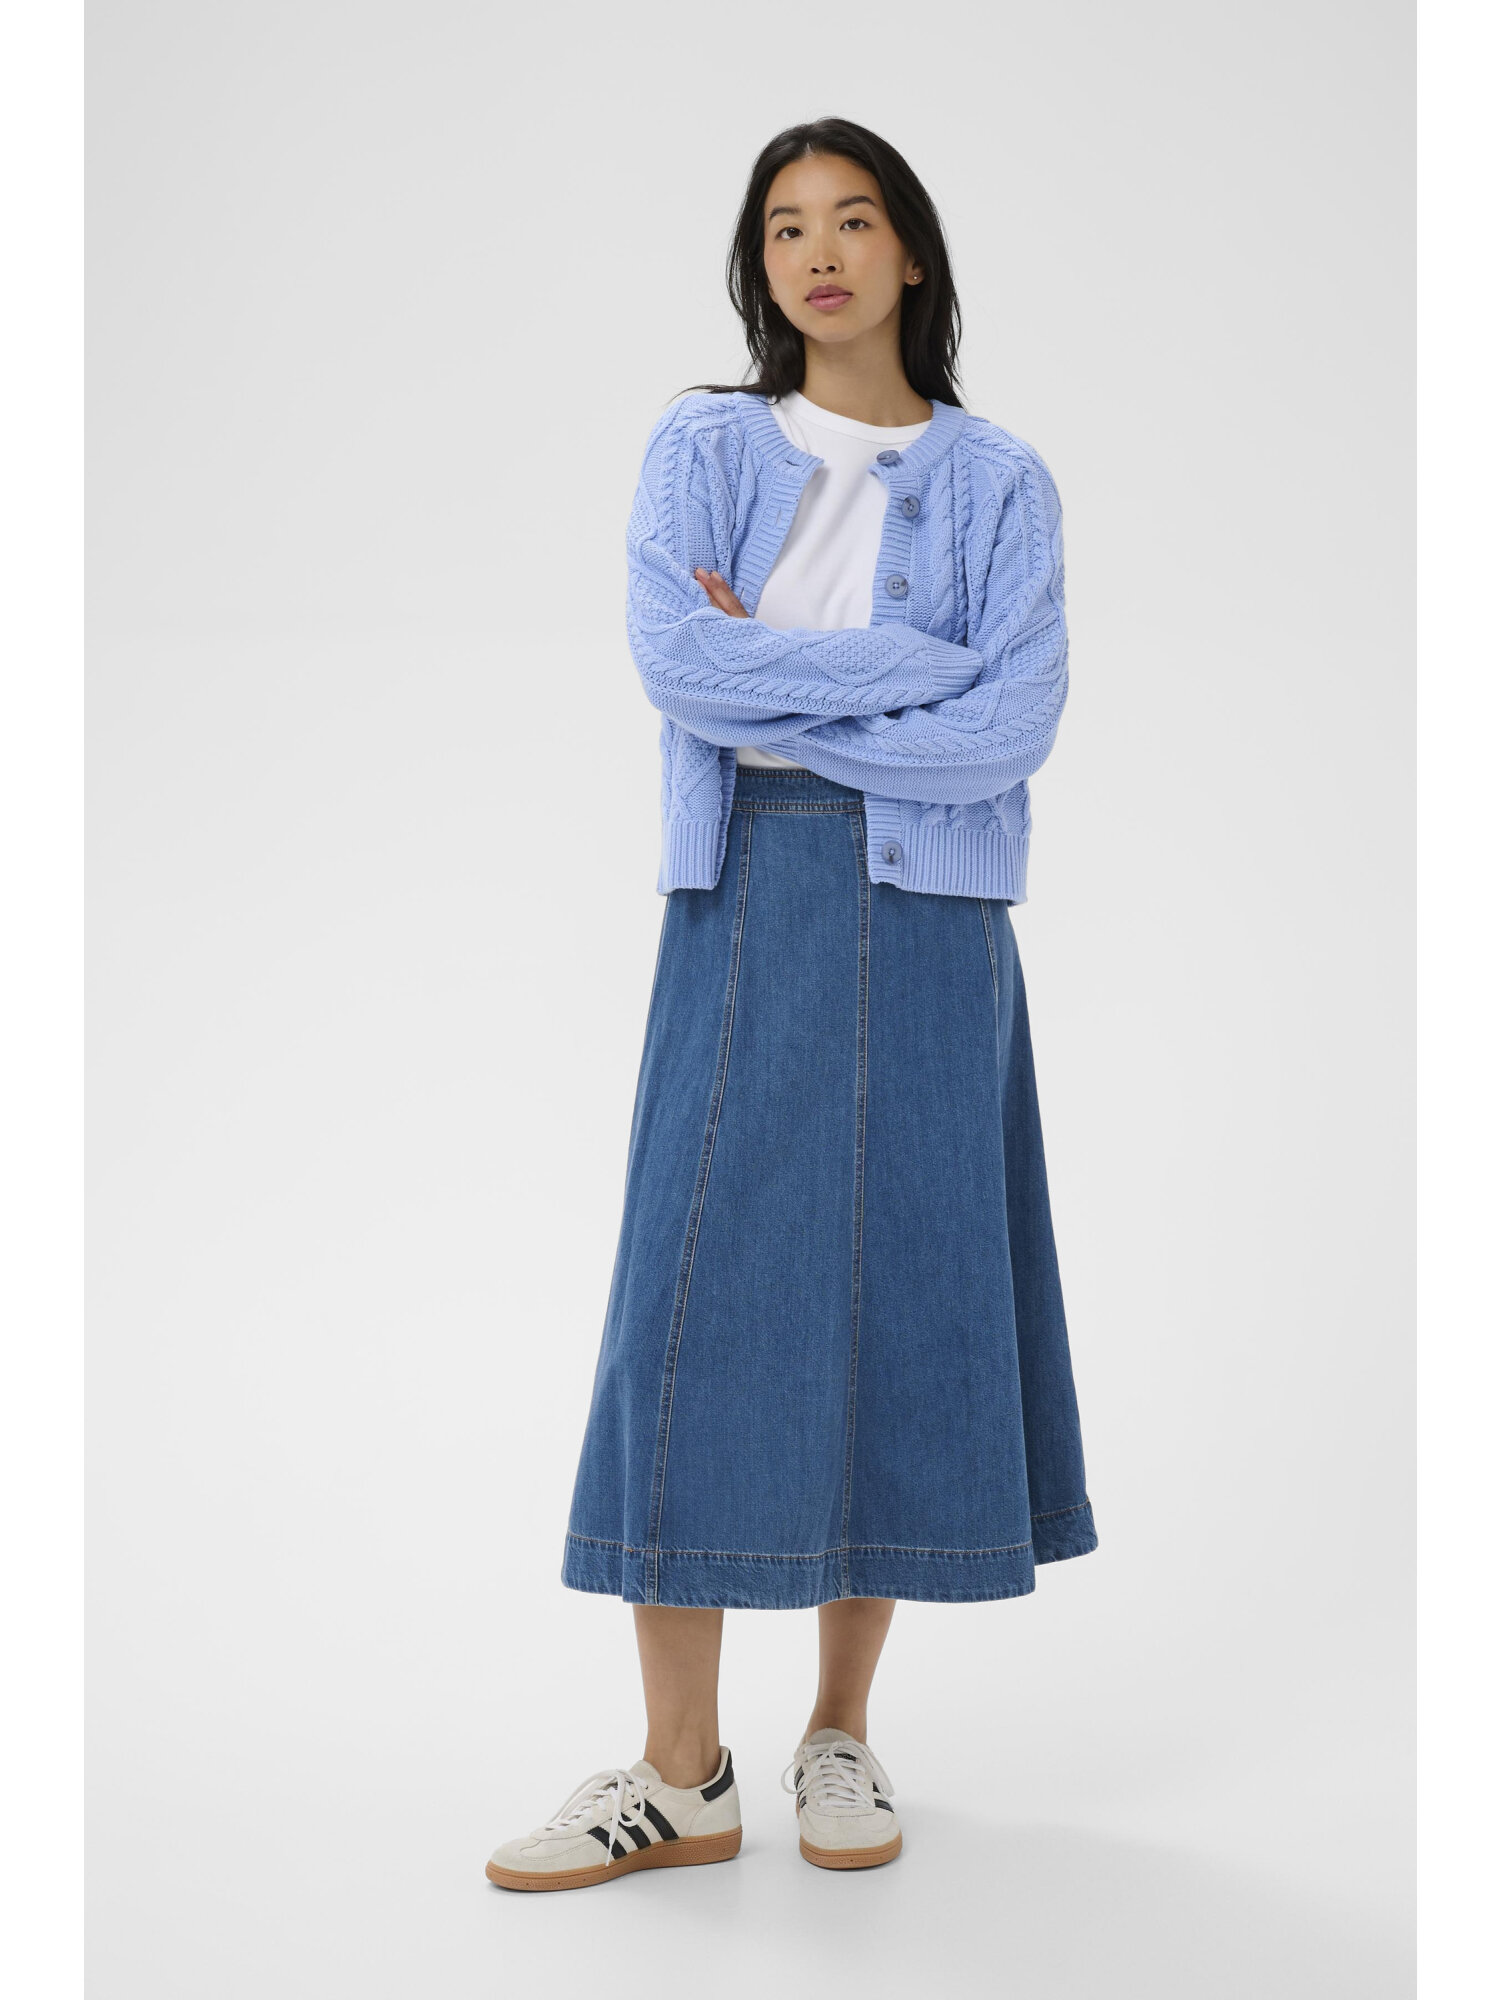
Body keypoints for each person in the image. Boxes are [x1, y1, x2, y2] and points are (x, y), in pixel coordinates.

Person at [486, 117, 1097, 1894]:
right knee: (692, 1300)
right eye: (783, 227)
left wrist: (793, 689)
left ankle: (839, 1732)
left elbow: (1014, 725)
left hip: (936, 916)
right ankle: (680, 1772)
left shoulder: (1003, 481)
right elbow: (679, 664)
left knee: (899, 1293)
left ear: (912, 252)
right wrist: (909, 676)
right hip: (747, 888)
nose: (819, 252)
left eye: (854, 218)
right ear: (759, 266)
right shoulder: (704, 444)